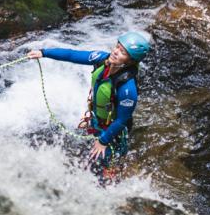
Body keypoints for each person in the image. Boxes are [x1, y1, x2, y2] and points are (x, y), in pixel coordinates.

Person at [28, 30, 152, 176]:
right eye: (117, 46)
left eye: (123, 52)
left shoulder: (127, 89)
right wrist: (44, 53)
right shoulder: (102, 59)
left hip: (113, 129)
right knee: (89, 157)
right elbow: (72, 55)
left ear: (130, 61)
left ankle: (113, 175)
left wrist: (103, 141)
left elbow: (122, 120)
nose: (116, 52)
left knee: (102, 166)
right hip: (97, 119)